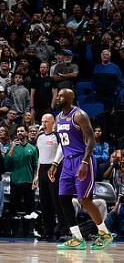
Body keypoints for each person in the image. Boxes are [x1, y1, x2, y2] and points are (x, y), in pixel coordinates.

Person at [48, 89, 113, 250]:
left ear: (70, 98)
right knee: (63, 198)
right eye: (58, 95)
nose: (58, 98)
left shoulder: (79, 115)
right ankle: (77, 238)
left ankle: (105, 233)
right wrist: (55, 163)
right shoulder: (58, 118)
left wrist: (84, 161)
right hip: (67, 161)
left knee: (84, 199)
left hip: (82, 159)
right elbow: (63, 144)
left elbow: (91, 140)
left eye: (61, 96)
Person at [35, 114, 64, 241]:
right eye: (42, 121)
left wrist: (56, 167)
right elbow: (39, 157)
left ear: (53, 123)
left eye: (46, 121)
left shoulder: (57, 136)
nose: (44, 124)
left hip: (54, 169)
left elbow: (62, 154)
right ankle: (48, 231)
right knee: (44, 202)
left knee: (56, 201)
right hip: (42, 170)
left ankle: (63, 231)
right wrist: (37, 175)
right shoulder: (39, 137)